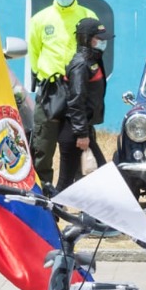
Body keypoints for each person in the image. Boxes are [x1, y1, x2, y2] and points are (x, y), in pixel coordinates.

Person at [27, 0, 97, 187]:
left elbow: (95, 52)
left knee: (81, 148)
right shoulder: (40, 19)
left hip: (79, 91)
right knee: (42, 149)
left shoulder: (88, 16)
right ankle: (44, 201)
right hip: (50, 92)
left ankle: (80, 203)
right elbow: (35, 53)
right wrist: (48, 78)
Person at [56, 18, 110, 191]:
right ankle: (49, 214)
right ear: (86, 39)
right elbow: (76, 100)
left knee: (68, 181)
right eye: (99, 38)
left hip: (81, 129)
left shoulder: (92, 61)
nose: (103, 42)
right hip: (74, 132)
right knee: (69, 181)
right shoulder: (81, 64)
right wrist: (81, 134)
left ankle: (86, 215)